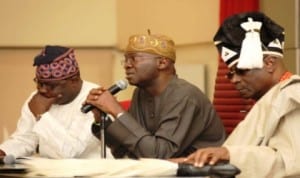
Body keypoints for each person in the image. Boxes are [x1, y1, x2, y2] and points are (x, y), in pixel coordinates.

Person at [173, 12, 300, 177]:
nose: (234, 80)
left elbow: (291, 162)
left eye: (241, 71)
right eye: (230, 74)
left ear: (269, 63)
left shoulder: (292, 95)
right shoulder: (271, 98)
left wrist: (228, 155)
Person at [85, 31, 226, 159]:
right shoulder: (140, 94)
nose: (127, 65)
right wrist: (101, 119)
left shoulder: (184, 96)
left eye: (134, 59)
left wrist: (116, 110)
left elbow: (159, 155)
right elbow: (127, 149)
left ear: (162, 62)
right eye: (126, 60)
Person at [0, 45, 113, 159]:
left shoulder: (95, 99)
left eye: (51, 85)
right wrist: (4, 152)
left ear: (74, 81)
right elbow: (25, 139)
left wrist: (41, 116)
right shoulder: (37, 98)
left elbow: (71, 153)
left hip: (89, 173)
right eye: (39, 83)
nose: (43, 89)